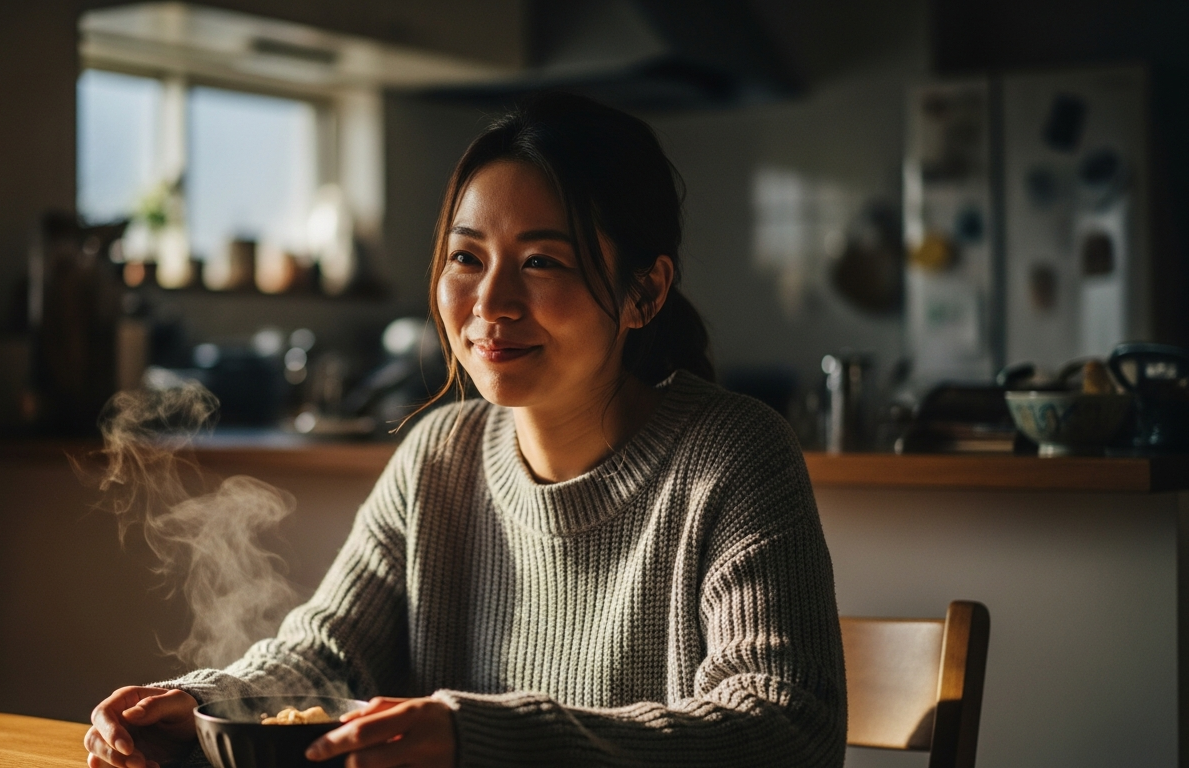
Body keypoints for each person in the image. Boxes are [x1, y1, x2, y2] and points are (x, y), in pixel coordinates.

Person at [86, 91, 845, 768]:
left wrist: (484, 738)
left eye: (542, 261)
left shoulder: (734, 455)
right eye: (466, 257)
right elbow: (325, 661)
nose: (490, 303)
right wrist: (207, 704)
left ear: (644, 291)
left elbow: (784, 732)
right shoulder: (439, 455)